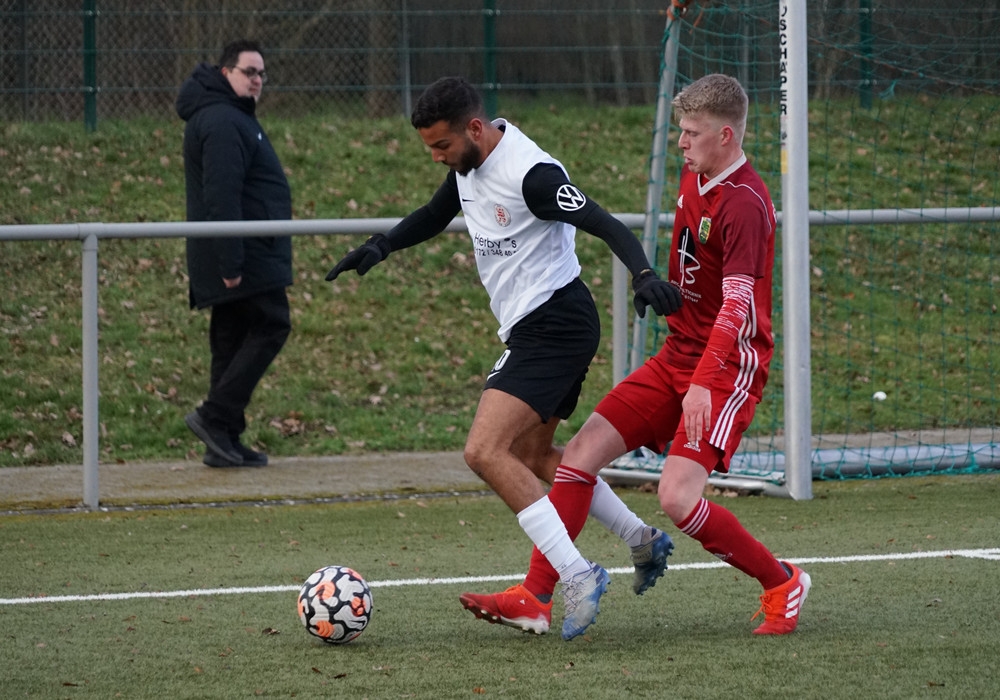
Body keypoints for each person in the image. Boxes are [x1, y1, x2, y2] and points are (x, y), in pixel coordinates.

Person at [326, 76, 682, 639]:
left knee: (484, 451)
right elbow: (435, 212)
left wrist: (643, 275)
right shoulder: (467, 165)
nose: (437, 157)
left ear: (474, 128)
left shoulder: (532, 175)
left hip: (556, 324)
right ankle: (642, 539)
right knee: (533, 454)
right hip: (538, 327)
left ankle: (577, 574)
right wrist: (382, 244)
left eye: (442, 145)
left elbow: (604, 222)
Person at [463, 74, 811, 637]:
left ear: (726, 135)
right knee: (577, 458)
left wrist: (703, 383)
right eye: (681, 130)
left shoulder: (746, 204)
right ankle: (536, 596)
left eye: (692, 132)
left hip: (726, 367)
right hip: (677, 355)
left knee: (677, 498)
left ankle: (781, 582)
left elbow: (738, 305)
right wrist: (656, 284)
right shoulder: (696, 173)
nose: (681, 142)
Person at [176, 40, 292, 468]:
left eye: (261, 73)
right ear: (226, 73)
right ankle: (215, 417)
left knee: (231, 340)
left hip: (244, 250)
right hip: (244, 253)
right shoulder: (223, 120)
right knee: (271, 324)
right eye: (249, 72)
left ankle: (223, 439)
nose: (257, 80)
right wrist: (231, 262)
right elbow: (221, 196)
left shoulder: (229, 115)